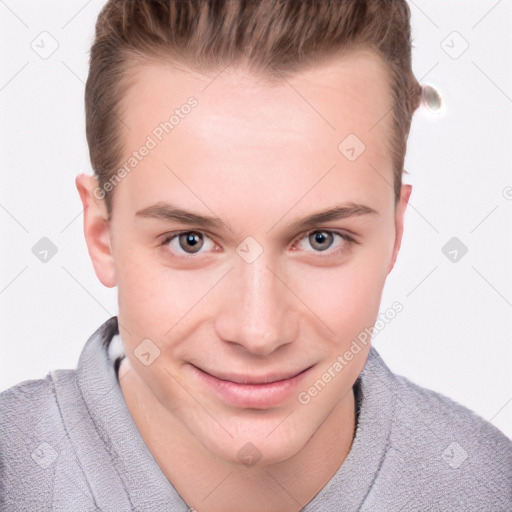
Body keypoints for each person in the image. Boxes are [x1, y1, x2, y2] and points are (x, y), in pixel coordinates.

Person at [1, 1, 510, 510]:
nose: (258, 331)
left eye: (321, 239)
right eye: (191, 241)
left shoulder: (489, 486)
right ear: (101, 234)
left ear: (395, 233)